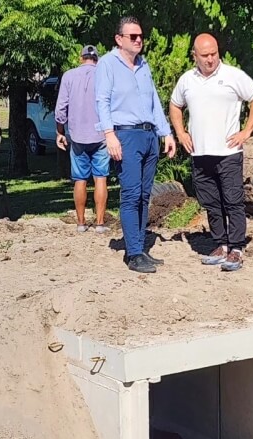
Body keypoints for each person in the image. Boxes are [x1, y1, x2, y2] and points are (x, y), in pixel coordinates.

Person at [168, 34, 253, 272]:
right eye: (205, 55)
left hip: (228, 153)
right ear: (195, 56)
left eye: (214, 53)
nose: (211, 59)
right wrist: (180, 132)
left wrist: (246, 131)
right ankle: (221, 244)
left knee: (232, 201)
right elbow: (174, 105)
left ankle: (236, 248)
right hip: (200, 153)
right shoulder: (187, 80)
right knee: (211, 203)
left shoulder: (233, 76)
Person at [95, 16, 176, 273]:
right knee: (130, 194)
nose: (139, 40)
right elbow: (102, 101)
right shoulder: (107, 64)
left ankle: (141, 248)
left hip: (149, 135)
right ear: (119, 40)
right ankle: (133, 254)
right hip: (125, 135)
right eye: (133, 36)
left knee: (144, 194)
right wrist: (109, 135)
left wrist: (167, 133)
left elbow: (154, 102)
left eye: (141, 36)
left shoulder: (144, 65)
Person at [55, 45, 111, 234]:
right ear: (97, 59)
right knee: (100, 178)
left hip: (78, 135)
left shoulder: (69, 76)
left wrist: (60, 132)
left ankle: (80, 223)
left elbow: (61, 108)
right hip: (101, 135)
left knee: (80, 179)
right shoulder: (104, 75)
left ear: (81, 58)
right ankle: (100, 224)